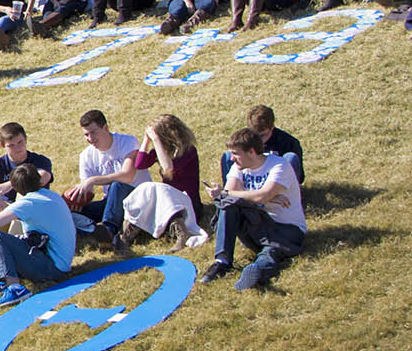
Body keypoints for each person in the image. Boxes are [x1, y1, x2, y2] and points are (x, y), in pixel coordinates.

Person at [201, 129, 306, 290]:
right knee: (228, 205)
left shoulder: (279, 165)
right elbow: (227, 197)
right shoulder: (239, 166)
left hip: (286, 230)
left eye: (236, 153)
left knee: (271, 252)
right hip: (257, 225)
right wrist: (263, 197)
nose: (232, 158)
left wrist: (261, 196)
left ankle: (256, 271)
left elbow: (258, 196)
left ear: (251, 152)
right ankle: (222, 262)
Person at [0, 164, 78, 307]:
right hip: (56, 261)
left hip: (51, 268)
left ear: (16, 188)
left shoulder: (28, 203)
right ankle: (0, 280)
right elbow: (22, 212)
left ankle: (14, 287)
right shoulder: (50, 196)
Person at [63, 109, 152, 247]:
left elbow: (127, 175)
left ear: (105, 127)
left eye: (93, 132)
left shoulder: (127, 142)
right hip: (112, 203)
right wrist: (77, 199)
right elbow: (89, 191)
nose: (90, 138)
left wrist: (92, 180)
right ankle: (96, 230)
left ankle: (108, 230)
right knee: (67, 211)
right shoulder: (86, 156)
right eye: (86, 134)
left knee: (116, 185)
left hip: (139, 199)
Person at [0, 122, 55, 260]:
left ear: (26, 139)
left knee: (23, 191)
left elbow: (43, 177)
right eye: (11, 145)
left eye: (20, 142)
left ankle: (13, 251)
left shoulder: (39, 160)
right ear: (3, 146)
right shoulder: (1, 164)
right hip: (6, 212)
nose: (18, 148)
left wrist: (9, 185)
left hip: (31, 217)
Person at [118, 114, 204, 249]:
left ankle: (182, 232)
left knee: (154, 188)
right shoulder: (160, 151)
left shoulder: (188, 151)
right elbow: (140, 164)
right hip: (169, 202)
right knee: (148, 189)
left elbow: (168, 168)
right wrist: (146, 141)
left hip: (188, 204)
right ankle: (129, 231)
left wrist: (156, 140)